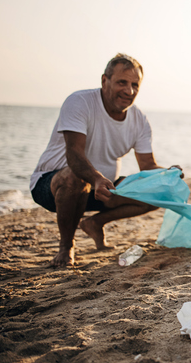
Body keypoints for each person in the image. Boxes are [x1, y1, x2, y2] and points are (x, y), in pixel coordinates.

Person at [30, 53, 180, 267]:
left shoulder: (139, 120)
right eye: (122, 82)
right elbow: (74, 154)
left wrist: (170, 174)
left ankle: (95, 222)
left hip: (103, 190)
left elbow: (147, 166)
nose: (129, 91)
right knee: (76, 178)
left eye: (135, 85)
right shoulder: (79, 102)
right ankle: (67, 246)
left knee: (161, 191)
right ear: (104, 81)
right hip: (53, 185)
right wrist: (96, 178)